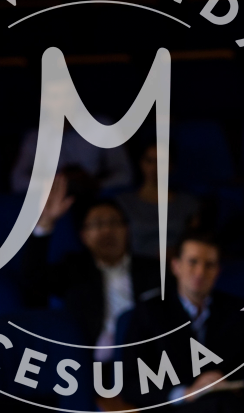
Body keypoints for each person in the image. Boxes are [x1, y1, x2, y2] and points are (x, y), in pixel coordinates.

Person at [120, 231, 244, 411]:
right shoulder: (148, 312)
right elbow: (130, 383)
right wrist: (185, 393)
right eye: (192, 262)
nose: (200, 272)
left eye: (209, 264)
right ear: (176, 266)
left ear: (218, 271)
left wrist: (230, 387)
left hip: (230, 404)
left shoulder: (241, 312)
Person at [21, 174, 161, 361]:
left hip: (146, 362)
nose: (107, 230)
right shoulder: (73, 269)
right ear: (84, 236)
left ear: (127, 230)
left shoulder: (154, 270)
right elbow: (33, 280)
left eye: (114, 222)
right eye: (97, 224)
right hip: (90, 365)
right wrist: (45, 224)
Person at [116, 140, 200, 259]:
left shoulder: (188, 203)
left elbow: (196, 241)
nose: (154, 167)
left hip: (177, 266)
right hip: (138, 266)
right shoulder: (123, 203)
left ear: (171, 165)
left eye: (161, 162)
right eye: (149, 161)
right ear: (141, 163)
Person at [10, 122, 134, 193]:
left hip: (98, 197)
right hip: (52, 201)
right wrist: (55, 184)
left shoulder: (102, 128)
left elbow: (125, 175)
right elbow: (17, 181)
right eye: (54, 97)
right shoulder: (35, 137)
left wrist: (97, 184)